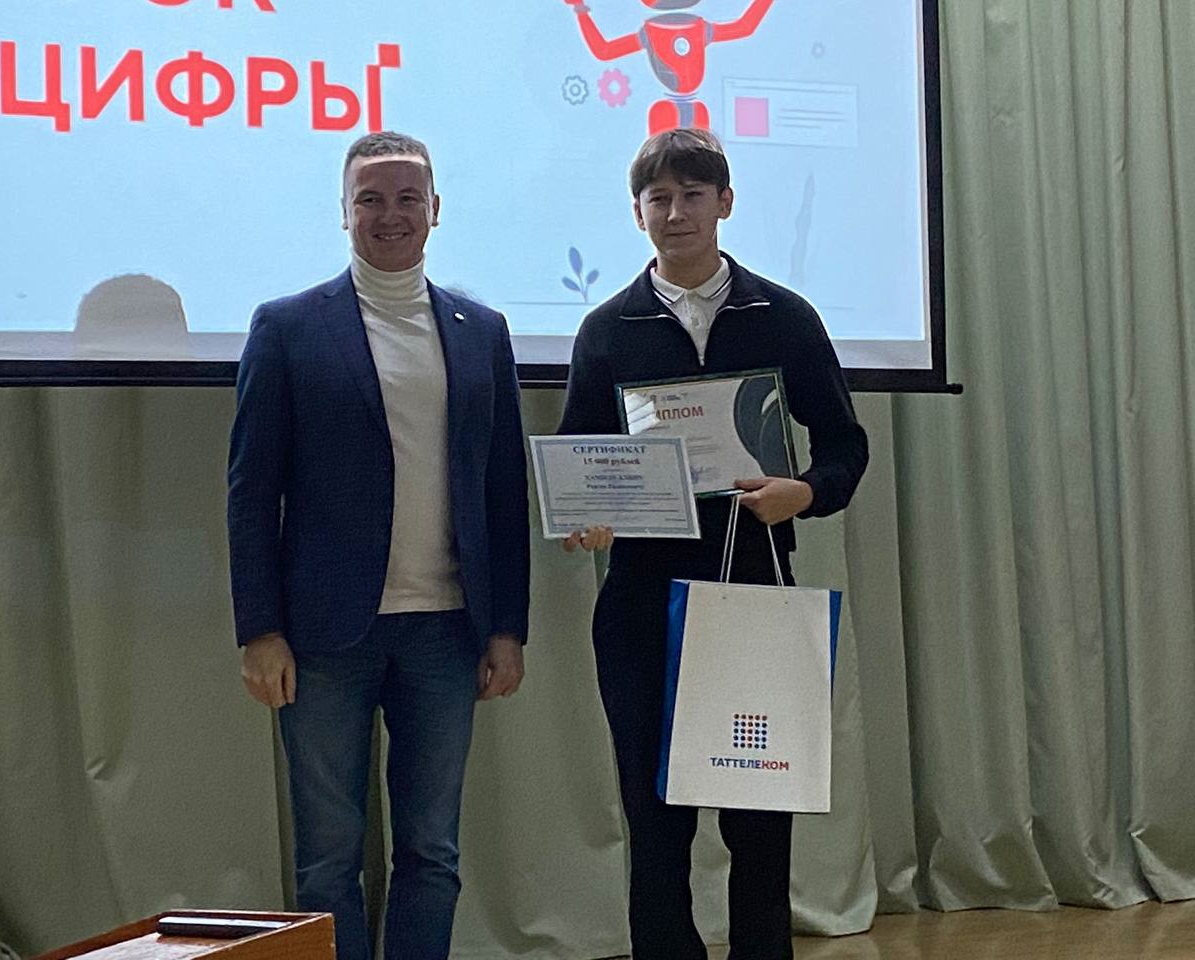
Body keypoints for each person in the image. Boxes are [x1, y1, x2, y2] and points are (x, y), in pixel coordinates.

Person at [558, 128, 868, 960]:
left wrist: (805, 492)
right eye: (658, 198)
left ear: (725, 203)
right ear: (637, 213)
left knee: (760, 821)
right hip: (641, 605)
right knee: (656, 821)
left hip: (755, 596)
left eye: (693, 195)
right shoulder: (606, 328)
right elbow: (581, 457)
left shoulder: (784, 317)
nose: (676, 212)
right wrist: (589, 514)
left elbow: (845, 446)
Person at [227, 131, 530, 960]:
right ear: (344, 212)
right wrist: (260, 630)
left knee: (432, 852)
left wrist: (508, 627)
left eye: (406, 198)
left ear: (435, 210)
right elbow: (251, 492)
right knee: (328, 860)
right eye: (370, 199)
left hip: (447, 631)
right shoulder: (287, 327)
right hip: (324, 637)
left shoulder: (482, 330)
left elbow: (503, 489)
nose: (389, 215)